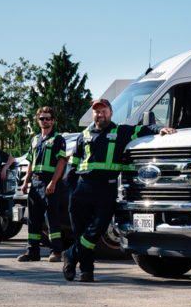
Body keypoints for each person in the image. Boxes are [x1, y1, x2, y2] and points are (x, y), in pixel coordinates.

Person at [62, 98, 176, 282]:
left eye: (103, 110)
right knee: (82, 232)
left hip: (105, 189)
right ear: (93, 114)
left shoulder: (121, 131)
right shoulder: (84, 135)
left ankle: (70, 254)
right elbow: (73, 163)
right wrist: (72, 188)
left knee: (95, 230)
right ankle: (86, 271)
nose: (100, 114)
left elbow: (144, 129)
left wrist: (160, 129)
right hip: (81, 189)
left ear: (111, 112)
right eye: (96, 111)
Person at [17, 107, 68, 263]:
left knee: (51, 218)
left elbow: (62, 162)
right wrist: (26, 182)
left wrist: (53, 181)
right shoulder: (35, 139)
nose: (44, 121)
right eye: (41, 118)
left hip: (49, 182)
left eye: (47, 118)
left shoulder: (58, 139)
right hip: (36, 183)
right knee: (33, 219)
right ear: (38, 121)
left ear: (52, 121)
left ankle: (56, 252)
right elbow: (31, 162)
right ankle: (32, 252)